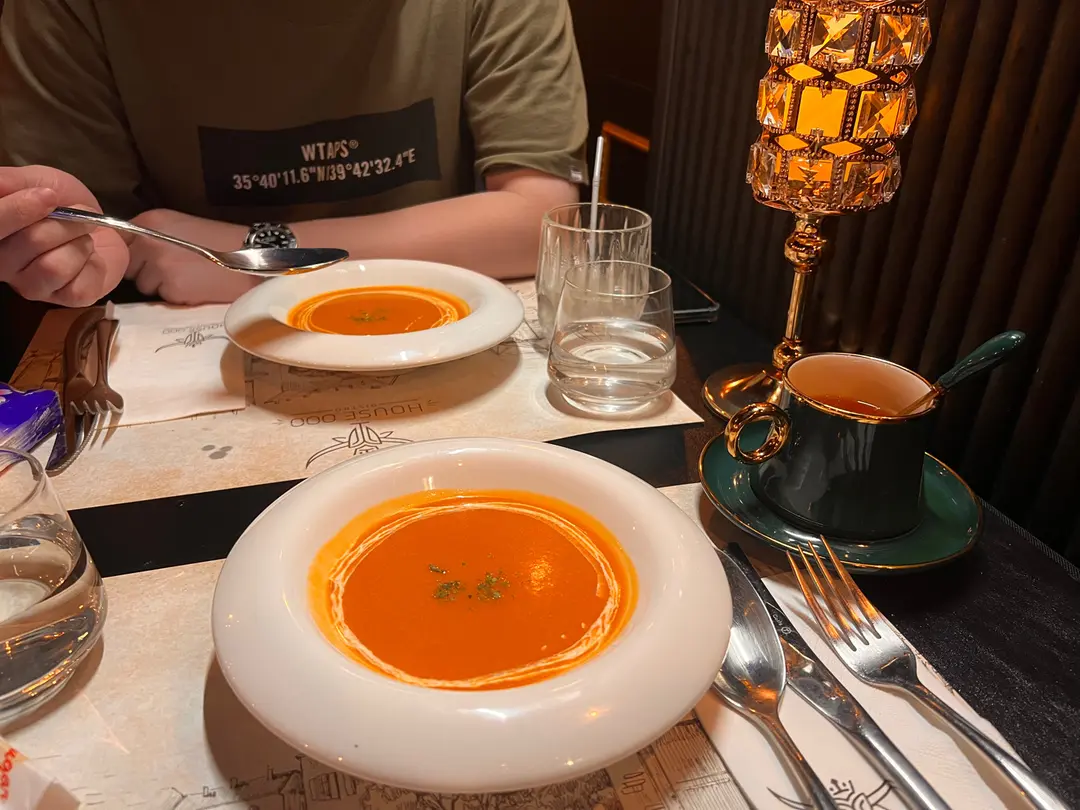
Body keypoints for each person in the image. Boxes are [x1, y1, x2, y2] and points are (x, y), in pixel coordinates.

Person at [0, 0, 587, 310]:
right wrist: (68, 252)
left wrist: (253, 258)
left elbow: (543, 222)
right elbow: (100, 236)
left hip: (439, 326)